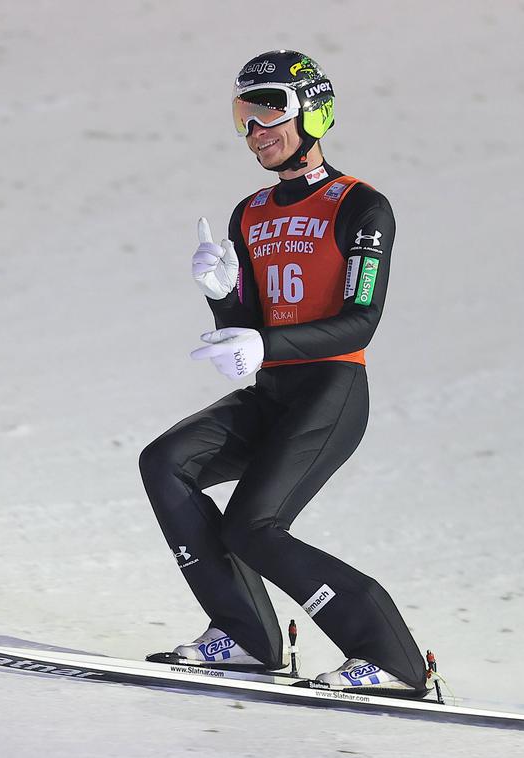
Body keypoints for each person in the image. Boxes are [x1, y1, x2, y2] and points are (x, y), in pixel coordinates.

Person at [138, 50, 427, 696]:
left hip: (331, 393)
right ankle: (244, 636)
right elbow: (247, 321)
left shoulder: (361, 207)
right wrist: (220, 291)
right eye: (244, 115)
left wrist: (264, 346)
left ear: (312, 111)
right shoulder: (250, 213)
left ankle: (392, 660)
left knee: (252, 527)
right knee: (165, 462)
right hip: (274, 393)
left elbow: (362, 321)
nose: (255, 130)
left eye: (268, 109)